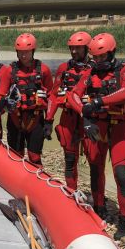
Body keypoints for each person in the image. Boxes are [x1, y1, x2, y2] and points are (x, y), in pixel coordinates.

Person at [68, 33, 125, 239]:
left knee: (122, 175)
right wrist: (84, 114)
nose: (97, 62)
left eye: (101, 58)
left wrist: (98, 102)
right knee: (96, 170)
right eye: (95, 58)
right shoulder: (89, 73)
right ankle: (99, 209)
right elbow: (73, 95)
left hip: (119, 128)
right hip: (98, 127)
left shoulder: (124, 70)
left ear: (111, 53)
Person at [0, 33, 55, 165]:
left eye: (26, 52)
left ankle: (36, 182)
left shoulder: (44, 70)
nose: (23, 55)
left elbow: (52, 97)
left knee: (34, 157)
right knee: (16, 156)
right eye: (20, 52)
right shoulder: (10, 71)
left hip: (36, 119)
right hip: (15, 118)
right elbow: (0, 96)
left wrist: (49, 121)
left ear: (33, 51)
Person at [51, 31, 93, 189]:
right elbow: (53, 96)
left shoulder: (95, 69)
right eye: (72, 48)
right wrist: (48, 120)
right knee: (69, 161)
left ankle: (99, 204)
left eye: (78, 48)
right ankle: (72, 193)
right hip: (68, 119)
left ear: (87, 48)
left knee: (95, 163)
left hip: (89, 120)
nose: (74, 51)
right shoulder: (64, 68)